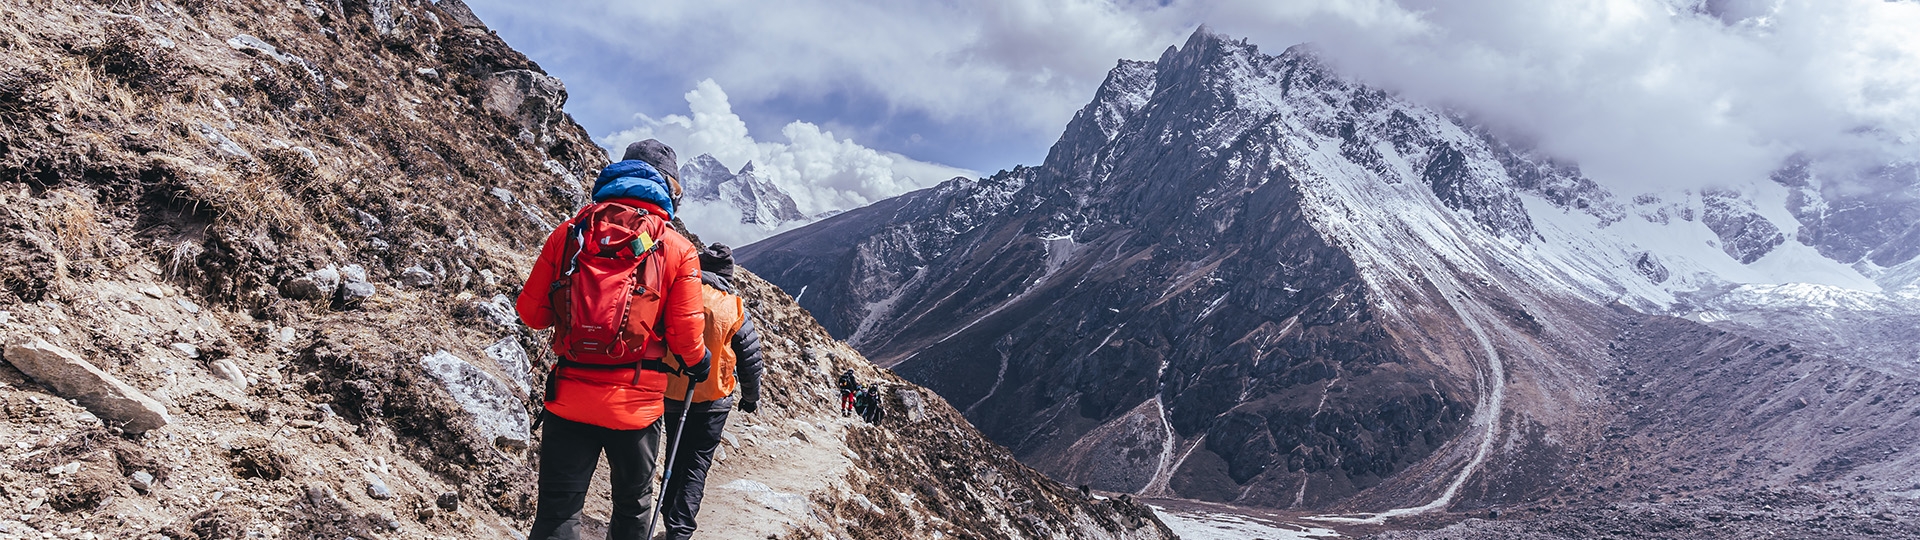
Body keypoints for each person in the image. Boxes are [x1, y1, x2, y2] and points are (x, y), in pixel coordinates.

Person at [516, 139, 710, 540]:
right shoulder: (677, 248)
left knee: (557, 511)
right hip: (635, 408)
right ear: (671, 188)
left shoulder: (569, 233)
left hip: (568, 398)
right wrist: (700, 362)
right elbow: (685, 337)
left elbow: (530, 314)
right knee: (632, 508)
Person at [658, 243, 766, 540]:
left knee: (675, 456)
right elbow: (751, 360)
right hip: (714, 399)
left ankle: (668, 516)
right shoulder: (733, 308)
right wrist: (750, 397)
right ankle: (679, 531)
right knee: (697, 464)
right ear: (727, 275)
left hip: (673, 393)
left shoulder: (677, 296)